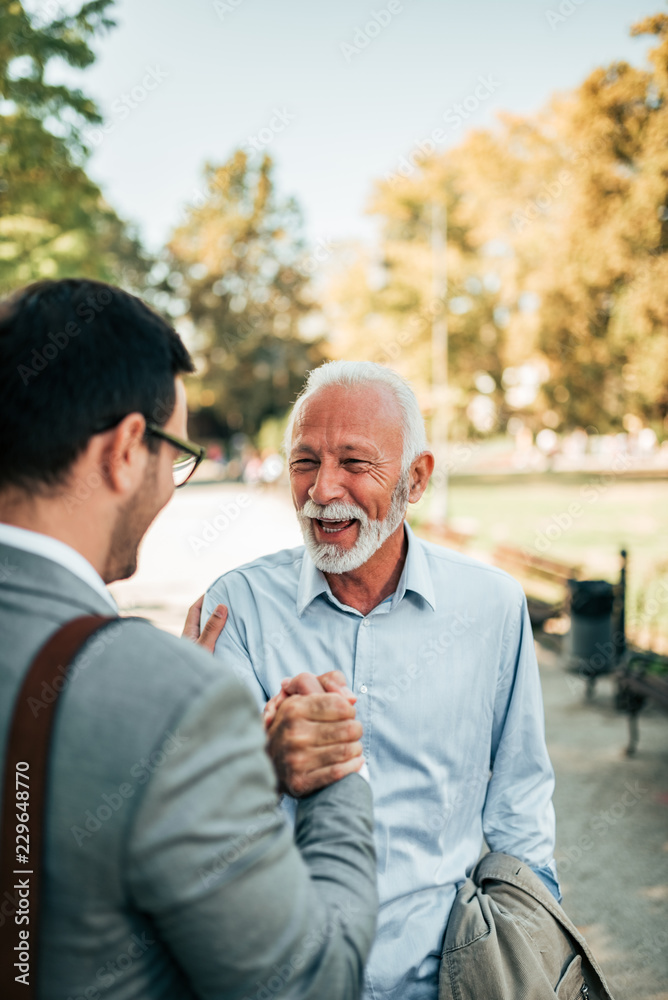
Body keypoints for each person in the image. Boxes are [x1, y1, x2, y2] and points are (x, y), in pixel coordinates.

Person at [0, 281, 378, 999]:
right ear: (125, 450)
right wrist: (336, 779)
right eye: (177, 452)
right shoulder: (164, 696)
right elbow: (311, 982)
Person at [203, 360, 560, 1000]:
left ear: (416, 477)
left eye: (355, 463)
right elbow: (205, 812)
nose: (323, 490)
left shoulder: (492, 608)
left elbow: (521, 799)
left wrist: (531, 938)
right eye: (305, 461)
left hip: (445, 979)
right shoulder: (237, 607)